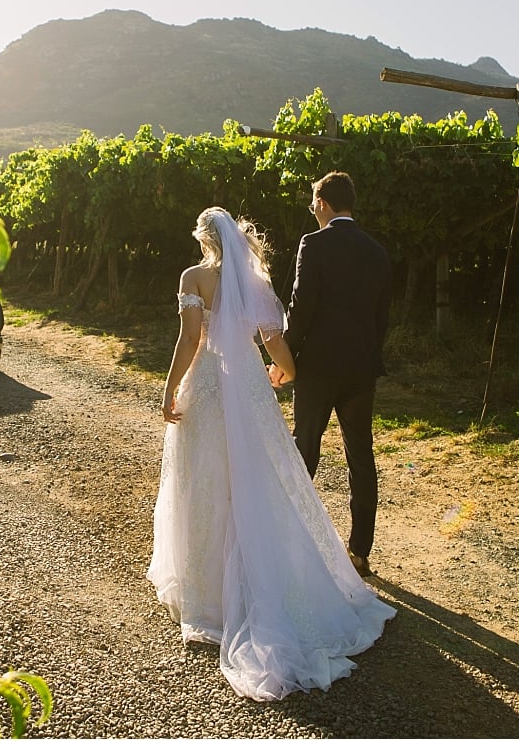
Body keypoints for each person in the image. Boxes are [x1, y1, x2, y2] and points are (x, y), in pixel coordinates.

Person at [147, 207, 395, 701]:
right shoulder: (257, 284)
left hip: (212, 389)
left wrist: (170, 386)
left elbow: (191, 338)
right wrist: (288, 372)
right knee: (257, 479)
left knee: (205, 479)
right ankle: (272, 577)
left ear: (204, 240)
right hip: (249, 389)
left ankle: (212, 591)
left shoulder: (194, 276)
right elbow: (273, 340)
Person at [271, 172, 393, 579]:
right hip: (361, 370)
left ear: (322, 203)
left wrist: (285, 358)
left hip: (318, 367)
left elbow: (301, 307)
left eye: (312, 203)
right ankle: (359, 553)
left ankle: (289, 541)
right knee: (360, 455)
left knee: (304, 447)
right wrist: (369, 357)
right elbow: (381, 318)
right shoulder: (377, 252)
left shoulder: (315, 244)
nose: (312, 210)